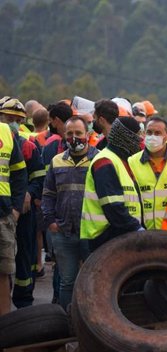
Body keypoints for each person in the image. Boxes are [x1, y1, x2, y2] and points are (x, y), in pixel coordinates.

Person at [42, 116, 97, 309]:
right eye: (70, 134)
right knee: (67, 283)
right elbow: (48, 194)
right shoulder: (56, 161)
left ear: (88, 135)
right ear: (64, 136)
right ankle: (68, 324)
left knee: (94, 282)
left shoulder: (98, 159)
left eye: (79, 133)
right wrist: (50, 221)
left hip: (92, 233)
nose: (74, 137)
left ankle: (92, 323)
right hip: (64, 232)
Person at [1, 99, 45, 308]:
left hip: (24, 212)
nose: (14, 124)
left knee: (24, 255)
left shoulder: (28, 146)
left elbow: (39, 177)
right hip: (5, 209)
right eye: (10, 119)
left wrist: (29, 193)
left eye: (19, 120)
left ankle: (23, 300)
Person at [80, 117, 144, 251]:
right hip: (104, 239)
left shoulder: (121, 161)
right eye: (137, 137)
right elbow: (112, 206)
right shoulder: (105, 162)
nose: (140, 142)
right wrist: (136, 228)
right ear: (126, 138)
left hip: (118, 237)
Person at [127, 117, 167, 230]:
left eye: (157, 133)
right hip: (142, 231)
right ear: (143, 134)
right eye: (149, 132)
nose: (152, 136)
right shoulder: (132, 161)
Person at [0, 121, 28, 316]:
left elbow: (19, 172)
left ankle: (4, 330)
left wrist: (16, 209)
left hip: (3, 215)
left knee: (3, 273)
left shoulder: (5, 131)